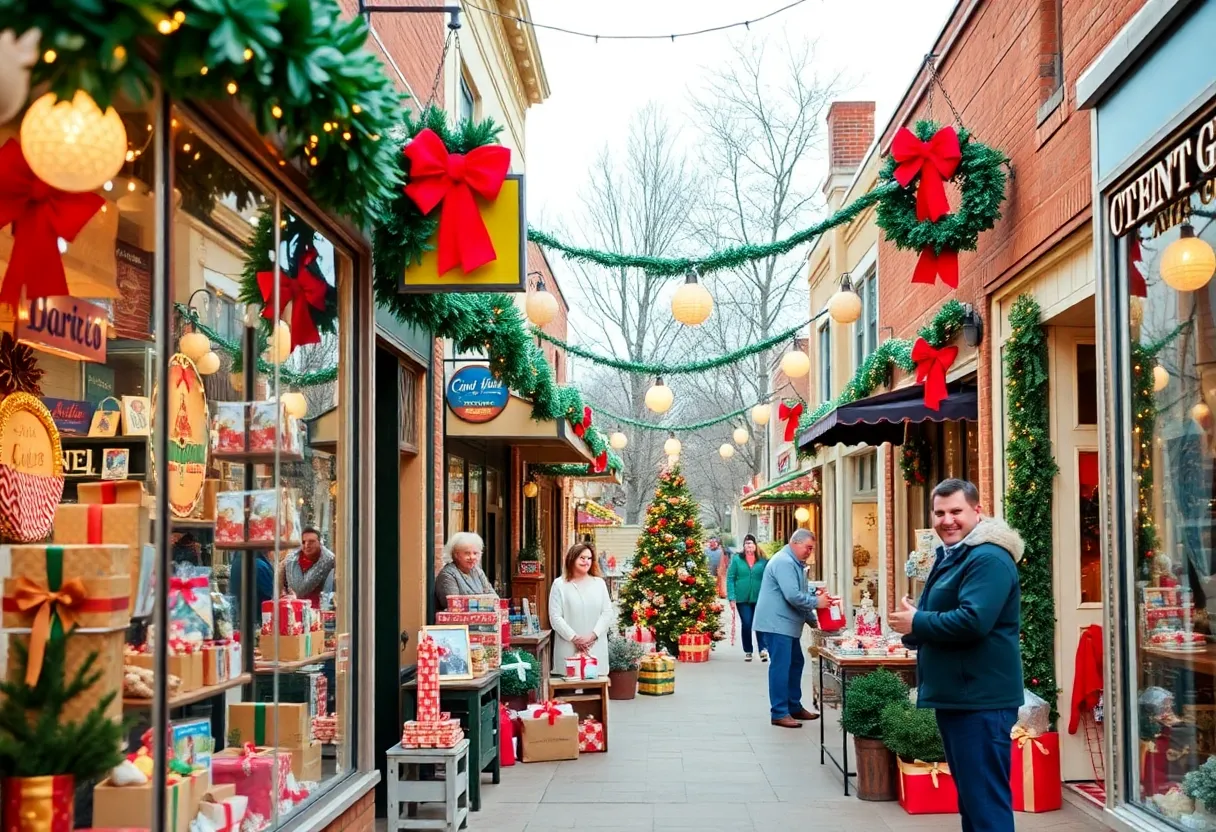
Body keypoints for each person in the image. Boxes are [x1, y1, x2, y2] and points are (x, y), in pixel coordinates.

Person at [889, 478, 1024, 832]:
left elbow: (973, 621)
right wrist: (916, 626)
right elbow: (952, 615)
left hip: (980, 700)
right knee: (973, 801)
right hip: (963, 698)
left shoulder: (988, 558)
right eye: (940, 513)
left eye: (956, 512)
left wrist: (917, 620)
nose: (947, 520)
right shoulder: (957, 553)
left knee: (985, 805)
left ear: (977, 511)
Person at [753, 528, 832, 728]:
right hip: (776, 624)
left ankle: (793, 706)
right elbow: (793, 596)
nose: (810, 552)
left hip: (785, 624)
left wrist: (813, 620)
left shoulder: (795, 563)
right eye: (808, 547)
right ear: (795, 543)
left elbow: (799, 595)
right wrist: (817, 602)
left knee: (795, 663)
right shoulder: (784, 562)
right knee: (781, 666)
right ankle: (779, 712)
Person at [548, 542, 614, 675]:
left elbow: (607, 613)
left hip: (595, 647)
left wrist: (592, 636)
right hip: (568, 647)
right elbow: (555, 617)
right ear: (572, 559)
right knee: (568, 690)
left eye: (589, 558)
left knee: (595, 689)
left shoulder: (599, 584)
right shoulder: (559, 585)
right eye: (582, 558)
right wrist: (574, 638)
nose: (586, 562)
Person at [727, 534, 769, 662]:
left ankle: (763, 649)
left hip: (760, 597)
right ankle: (748, 650)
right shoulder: (737, 559)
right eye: (746, 544)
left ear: (755, 545)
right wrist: (732, 597)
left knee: (760, 623)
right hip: (742, 598)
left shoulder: (763, 561)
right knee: (747, 623)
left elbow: (769, 578)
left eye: (751, 543)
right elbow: (730, 578)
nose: (748, 546)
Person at [434, 531, 497, 610]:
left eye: (475, 553)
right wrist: (484, 603)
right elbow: (454, 606)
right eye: (467, 553)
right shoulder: (447, 575)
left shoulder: (477, 571)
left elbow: (495, 599)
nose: (472, 557)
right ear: (456, 555)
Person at [283, 527, 335, 610]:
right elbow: (284, 586)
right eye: (304, 542)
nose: (307, 545)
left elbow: (300, 590)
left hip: (319, 610)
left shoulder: (329, 560)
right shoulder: (291, 560)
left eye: (311, 542)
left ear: (320, 543)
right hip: (295, 609)